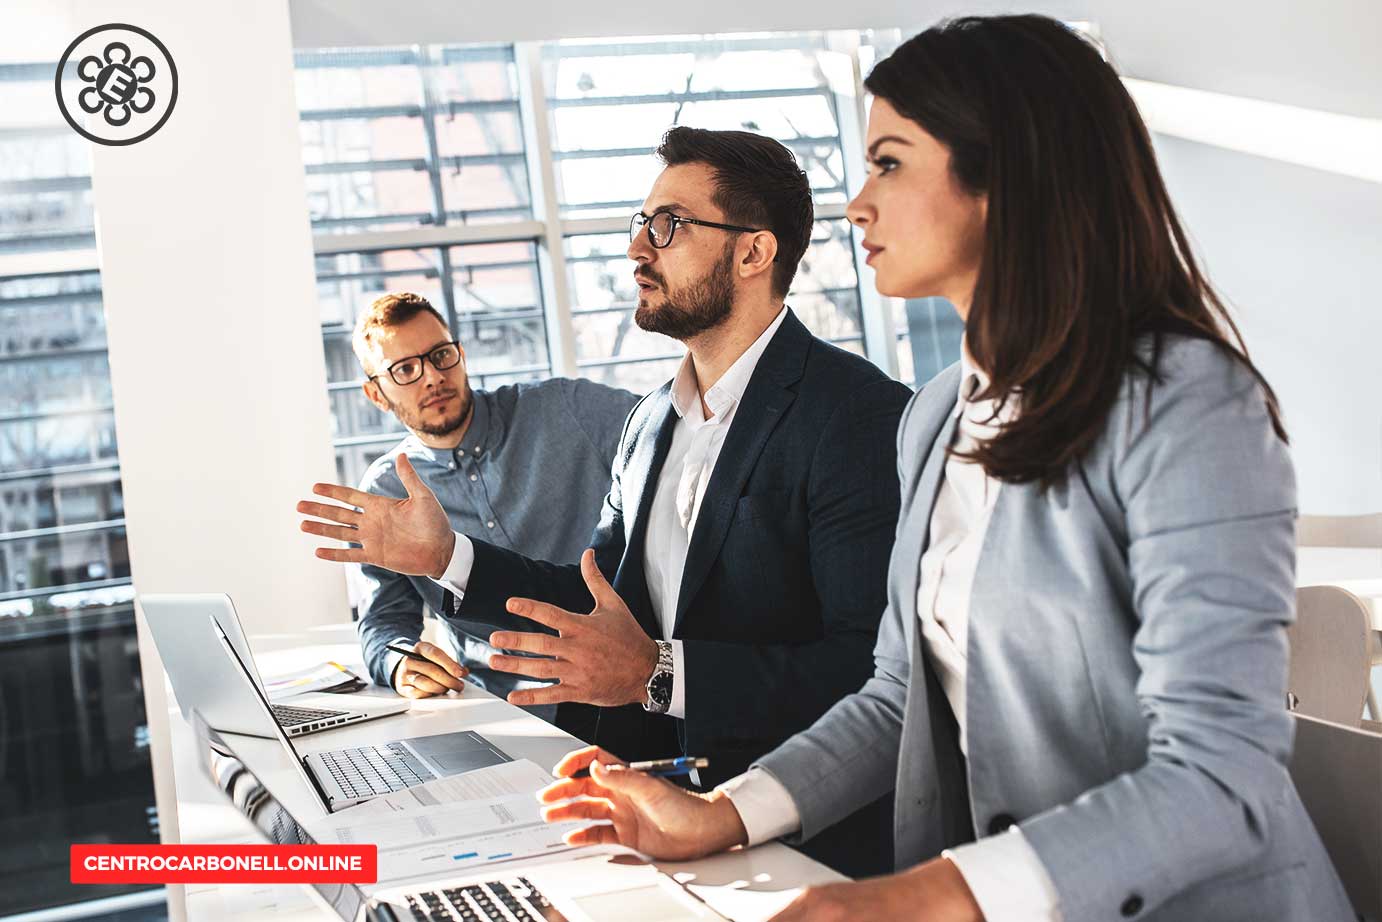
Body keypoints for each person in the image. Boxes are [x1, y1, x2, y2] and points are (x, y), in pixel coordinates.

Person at [530, 16, 1355, 922]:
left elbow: (1221, 775)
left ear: (1006, 179)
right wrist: (722, 816)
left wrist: (918, 899)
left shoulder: (1186, 404)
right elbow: (895, 697)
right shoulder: (933, 417)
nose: (857, 205)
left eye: (888, 164)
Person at [298, 127, 912, 877]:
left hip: (793, 838)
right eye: (641, 223)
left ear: (754, 253)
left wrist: (659, 672)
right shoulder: (651, 421)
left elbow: (867, 672)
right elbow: (599, 599)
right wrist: (446, 557)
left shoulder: (856, 415)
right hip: (641, 813)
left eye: (669, 226)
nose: (636, 249)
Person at [342, 292, 637, 720]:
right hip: (499, 709)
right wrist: (400, 662)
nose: (432, 377)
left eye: (441, 355)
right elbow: (382, 621)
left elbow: (671, 437)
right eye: (404, 369)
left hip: (623, 684)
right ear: (376, 394)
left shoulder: (564, 408)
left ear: (461, 355)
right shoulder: (386, 492)